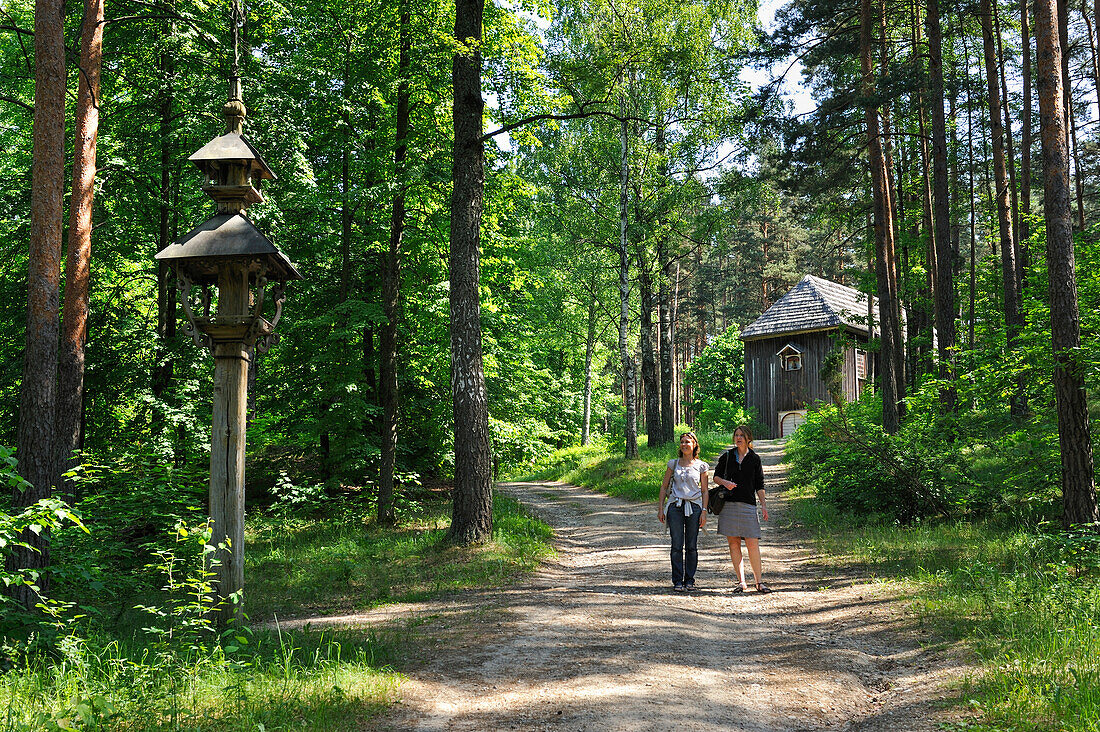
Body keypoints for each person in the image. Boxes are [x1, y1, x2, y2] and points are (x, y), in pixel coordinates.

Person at [711, 425, 771, 593]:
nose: (738, 438)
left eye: (741, 436)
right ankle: (741, 582)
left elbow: (759, 484)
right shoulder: (727, 456)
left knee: (753, 543)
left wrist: (763, 505)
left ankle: (759, 582)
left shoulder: (754, 459)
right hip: (728, 505)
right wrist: (725, 483)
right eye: (736, 435)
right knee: (734, 543)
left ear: (748, 439)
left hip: (748, 505)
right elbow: (716, 476)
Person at [658, 432, 709, 592]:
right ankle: (677, 581)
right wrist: (661, 508)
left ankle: (690, 580)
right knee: (676, 545)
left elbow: (705, 491)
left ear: (694, 444)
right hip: (676, 507)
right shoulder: (673, 464)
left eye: (687, 442)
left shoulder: (701, 466)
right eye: (682, 442)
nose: (684, 444)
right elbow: (664, 487)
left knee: (692, 546)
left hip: (694, 507)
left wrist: (704, 511)